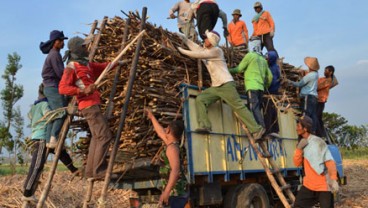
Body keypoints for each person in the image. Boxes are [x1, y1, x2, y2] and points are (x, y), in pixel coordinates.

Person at [177, 30, 265, 139]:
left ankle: (257, 129)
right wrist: (184, 39)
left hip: (226, 84)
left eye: (206, 38)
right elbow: (196, 48)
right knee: (201, 99)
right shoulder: (207, 50)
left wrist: (182, 51)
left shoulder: (217, 51)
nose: (204, 39)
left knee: (239, 107)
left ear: (212, 40)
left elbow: (197, 54)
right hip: (216, 86)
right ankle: (205, 125)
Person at [59, 36, 112, 179]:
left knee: (97, 137)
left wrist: (114, 64)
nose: (86, 48)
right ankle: (99, 170)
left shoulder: (86, 64)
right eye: (84, 46)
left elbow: (101, 67)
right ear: (77, 49)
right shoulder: (72, 67)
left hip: (93, 104)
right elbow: (63, 88)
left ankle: (90, 172)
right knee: (105, 135)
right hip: (88, 106)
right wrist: (82, 91)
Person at [22, 84, 79, 204]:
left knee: (61, 152)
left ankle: (73, 169)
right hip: (42, 137)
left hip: (40, 135)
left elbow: (30, 116)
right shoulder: (44, 104)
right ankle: (27, 193)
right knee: (37, 165)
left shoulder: (35, 105)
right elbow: (50, 115)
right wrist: (64, 111)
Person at [144, 108, 188, 208]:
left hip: (176, 192)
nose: (164, 129)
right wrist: (151, 117)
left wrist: (166, 192)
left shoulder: (172, 149)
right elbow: (160, 132)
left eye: (166, 128)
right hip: (173, 192)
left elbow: (175, 171)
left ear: (168, 130)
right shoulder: (171, 143)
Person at [293, 115, 339, 208]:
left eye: (298, 126)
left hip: (323, 185)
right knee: (298, 205)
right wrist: (299, 149)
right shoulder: (301, 143)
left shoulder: (318, 142)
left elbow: (329, 161)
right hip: (309, 185)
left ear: (305, 129)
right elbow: (296, 163)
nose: (296, 128)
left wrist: (333, 179)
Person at [40, 30, 69, 149]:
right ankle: (53, 137)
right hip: (53, 87)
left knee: (53, 114)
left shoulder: (53, 54)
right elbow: (60, 73)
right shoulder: (55, 55)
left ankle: (48, 141)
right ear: (55, 42)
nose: (63, 43)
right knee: (61, 111)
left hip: (49, 87)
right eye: (61, 41)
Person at [229, 52, 273, 129]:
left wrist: (227, 70)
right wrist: (265, 85)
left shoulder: (250, 55)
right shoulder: (263, 60)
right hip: (260, 88)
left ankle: (260, 129)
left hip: (252, 86)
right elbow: (270, 77)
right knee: (257, 109)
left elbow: (239, 69)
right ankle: (259, 127)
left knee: (253, 109)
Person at [287, 57, 319, 134]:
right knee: (313, 114)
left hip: (308, 96)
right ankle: (313, 130)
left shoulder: (310, 75)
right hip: (314, 96)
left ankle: (305, 130)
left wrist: (289, 82)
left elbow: (300, 84)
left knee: (305, 114)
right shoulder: (316, 74)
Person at [316, 65, 338, 137]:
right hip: (317, 99)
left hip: (321, 100)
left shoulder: (328, 81)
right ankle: (320, 133)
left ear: (331, 72)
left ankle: (321, 134)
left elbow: (318, 86)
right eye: (324, 71)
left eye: (326, 71)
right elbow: (317, 82)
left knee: (317, 116)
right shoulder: (322, 79)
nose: (324, 72)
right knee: (317, 116)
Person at [264, 50, 281, 134]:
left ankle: (269, 130)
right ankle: (276, 129)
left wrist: (265, 86)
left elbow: (271, 80)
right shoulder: (276, 66)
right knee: (273, 111)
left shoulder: (272, 68)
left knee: (268, 111)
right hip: (275, 92)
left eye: (268, 57)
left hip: (270, 91)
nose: (266, 58)